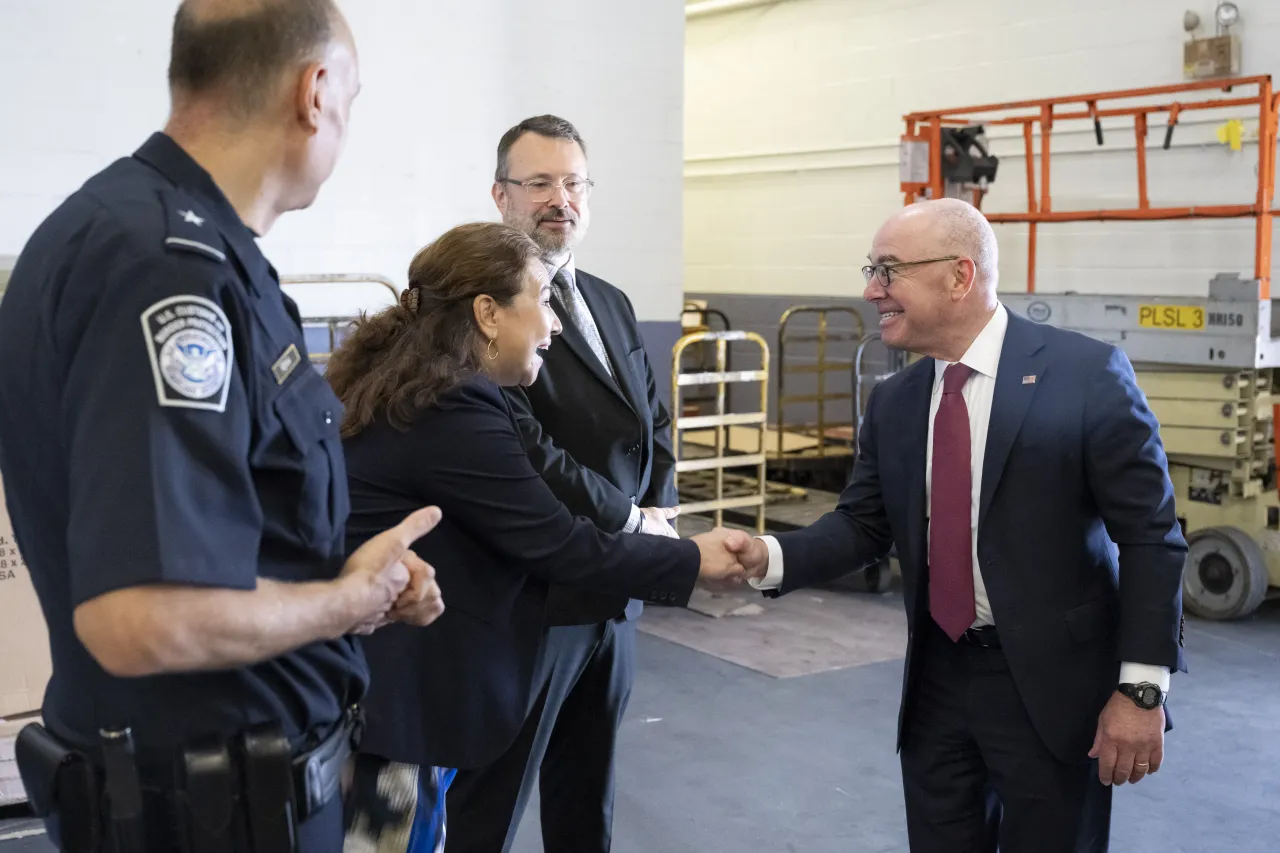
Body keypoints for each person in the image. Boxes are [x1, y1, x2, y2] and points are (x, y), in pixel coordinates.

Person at [0, 2, 444, 850]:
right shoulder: (164, 268)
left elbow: (231, 539)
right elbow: (143, 618)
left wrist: (348, 594)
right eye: (352, 99)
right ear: (315, 93)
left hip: (221, 793)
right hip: (211, 812)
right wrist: (344, 602)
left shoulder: (163, 242)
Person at [730, 198, 1188, 853]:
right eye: (872, 270)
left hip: (1052, 691)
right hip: (937, 681)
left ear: (959, 275)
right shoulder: (897, 401)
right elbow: (863, 525)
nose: (871, 290)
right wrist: (765, 555)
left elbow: (1151, 538)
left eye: (888, 271)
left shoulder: (1086, 377)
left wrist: (1140, 688)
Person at [329, 221, 745, 852]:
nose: (553, 324)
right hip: (397, 710)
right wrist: (689, 560)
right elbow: (557, 543)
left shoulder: (411, 383)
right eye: (543, 301)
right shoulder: (453, 404)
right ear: (488, 313)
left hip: (375, 690)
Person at [440, 114, 677, 853]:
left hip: (613, 600)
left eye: (573, 183)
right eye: (539, 182)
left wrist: (658, 514)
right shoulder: (478, 309)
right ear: (500, 196)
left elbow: (650, 424)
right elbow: (528, 448)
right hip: (528, 603)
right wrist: (633, 524)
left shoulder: (609, 300)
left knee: (588, 799)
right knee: (491, 807)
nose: (559, 199)